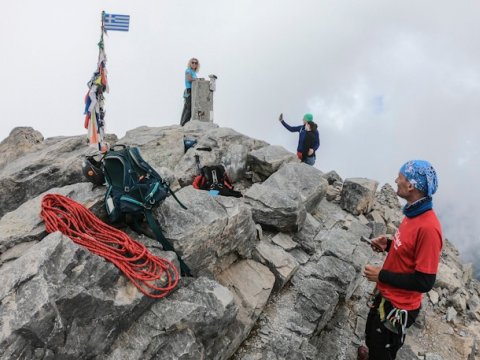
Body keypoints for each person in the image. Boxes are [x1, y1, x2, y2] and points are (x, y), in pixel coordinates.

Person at [359, 160, 442, 360]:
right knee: (371, 337)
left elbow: (425, 282)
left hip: (399, 306)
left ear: (411, 185)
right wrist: (387, 244)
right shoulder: (413, 213)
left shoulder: (429, 229)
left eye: (400, 177)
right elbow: (407, 250)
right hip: (386, 294)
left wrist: (382, 275)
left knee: (383, 352)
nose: (396, 180)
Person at [180, 58, 200, 126]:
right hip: (189, 90)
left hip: (192, 91)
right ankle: (184, 124)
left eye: (196, 63)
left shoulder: (193, 72)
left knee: (186, 108)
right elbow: (189, 79)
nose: (194, 64)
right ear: (190, 63)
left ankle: (182, 124)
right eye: (193, 62)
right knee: (189, 109)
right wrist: (197, 79)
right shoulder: (188, 70)